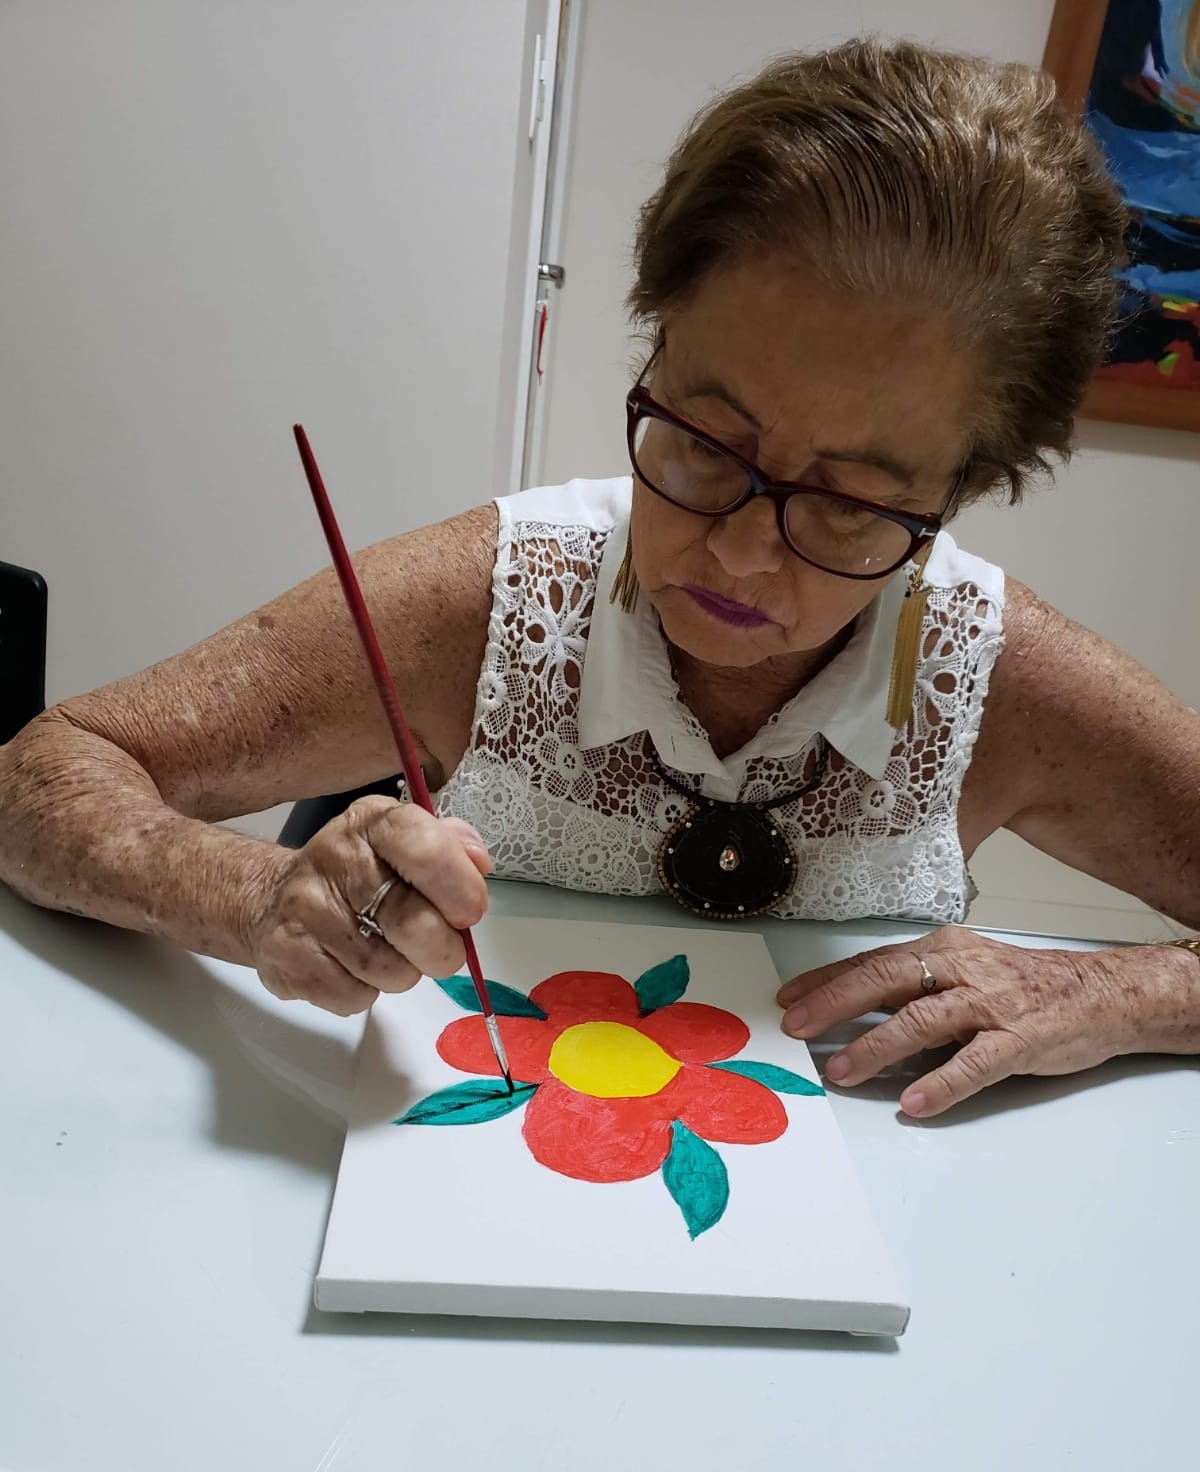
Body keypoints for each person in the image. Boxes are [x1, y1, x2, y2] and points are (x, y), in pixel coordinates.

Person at [3, 39, 1197, 1117]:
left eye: (845, 504)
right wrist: (255, 896)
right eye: (702, 441)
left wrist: (1115, 991)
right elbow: (37, 774)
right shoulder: (493, 604)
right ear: (654, 341)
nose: (736, 552)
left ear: (961, 490)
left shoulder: (998, 679)